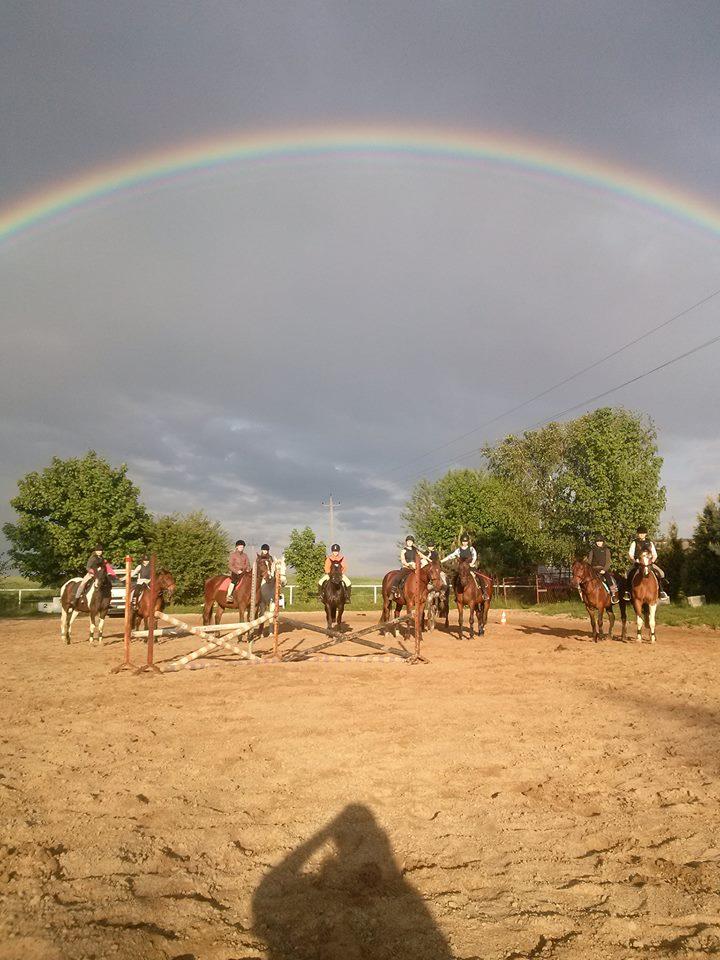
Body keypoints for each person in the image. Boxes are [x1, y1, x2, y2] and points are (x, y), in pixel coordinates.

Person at [625, 527, 669, 600]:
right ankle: (628, 592)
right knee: (628, 573)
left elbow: (654, 554)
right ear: (638, 534)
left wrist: (651, 561)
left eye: (643, 534)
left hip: (648, 563)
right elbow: (630, 554)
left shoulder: (650, 542)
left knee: (661, 573)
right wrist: (635, 560)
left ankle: (661, 591)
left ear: (645, 534)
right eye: (640, 534)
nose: (641, 535)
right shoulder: (634, 542)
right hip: (638, 563)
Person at [441, 536, 488, 601]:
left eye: (466, 541)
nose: (464, 543)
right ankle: (456, 595)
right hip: (462, 569)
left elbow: (475, 556)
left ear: (468, 542)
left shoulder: (471, 549)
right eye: (463, 541)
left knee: (480, 576)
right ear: (461, 542)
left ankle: (484, 593)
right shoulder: (458, 550)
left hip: (470, 567)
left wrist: (472, 563)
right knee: (455, 579)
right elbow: (451, 556)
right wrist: (441, 561)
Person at [585, 535, 619, 603]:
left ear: (603, 542)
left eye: (600, 541)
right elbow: (589, 561)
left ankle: (613, 594)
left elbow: (608, 562)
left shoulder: (606, 550)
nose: (599, 543)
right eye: (597, 541)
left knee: (609, 579)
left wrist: (604, 570)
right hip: (593, 569)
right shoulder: (592, 550)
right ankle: (585, 596)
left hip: (602, 569)